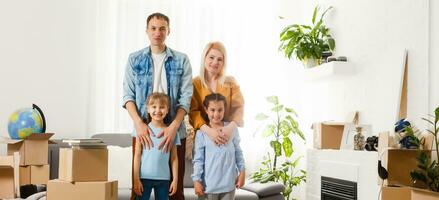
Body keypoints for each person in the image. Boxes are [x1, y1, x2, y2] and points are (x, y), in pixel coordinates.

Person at [122, 12, 193, 200]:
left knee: (175, 193)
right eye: (153, 28)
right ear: (147, 31)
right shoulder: (134, 59)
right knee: (138, 191)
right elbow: (127, 96)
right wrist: (139, 123)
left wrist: (173, 128)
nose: (157, 32)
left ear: (168, 31)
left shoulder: (182, 60)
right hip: (143, 130)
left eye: (162, 28)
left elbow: (186, 99)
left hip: (175, 129)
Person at [189, 41, 244, 146]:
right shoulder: (194, 83)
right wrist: (210, 132)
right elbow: (193, 112)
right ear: (204, 58)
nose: (215, 62)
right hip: (204, 137)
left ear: (224, 62)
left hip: (227, 136)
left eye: (219, 59)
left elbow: (239, 108)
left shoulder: (231, 82)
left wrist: (229, 129)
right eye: (211, 57)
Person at [192, 93, 245, 200]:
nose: (216, 114)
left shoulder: (232, 129)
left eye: (220, 110)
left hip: (229, 186)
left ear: (224, 110)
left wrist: (242, 172)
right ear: (206, 110)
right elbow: (198, 160)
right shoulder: (201, 134)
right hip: (208, 187)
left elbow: (238, 153)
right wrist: (196, 180)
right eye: (212, 110)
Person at [133, 93, 179, 200]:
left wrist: (175, 180)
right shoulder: (140, 131)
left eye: (162, 107)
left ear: (167, 110)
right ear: (148, 109)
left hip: (164, 178)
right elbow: (137, 155)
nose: (158, 110)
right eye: (154, 107)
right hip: (144, 177)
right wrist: (136, 179)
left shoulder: (172, 133)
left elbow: (174, 158)